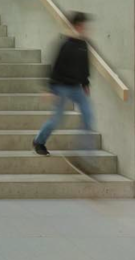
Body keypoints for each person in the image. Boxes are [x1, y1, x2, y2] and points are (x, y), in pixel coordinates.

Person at [33, 13, 95, 157]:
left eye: (84, 26)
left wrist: (85, 83)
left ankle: (84, 155)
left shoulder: (84, 44)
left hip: (76, 88)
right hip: (61, 87)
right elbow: (55, 67)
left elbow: (85, 65)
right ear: (75, 26)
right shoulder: (65, 44)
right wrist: (49, 89)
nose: (84, 29)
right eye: (81, 26)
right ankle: (39, 141)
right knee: (57, 119)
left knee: (88, 115)